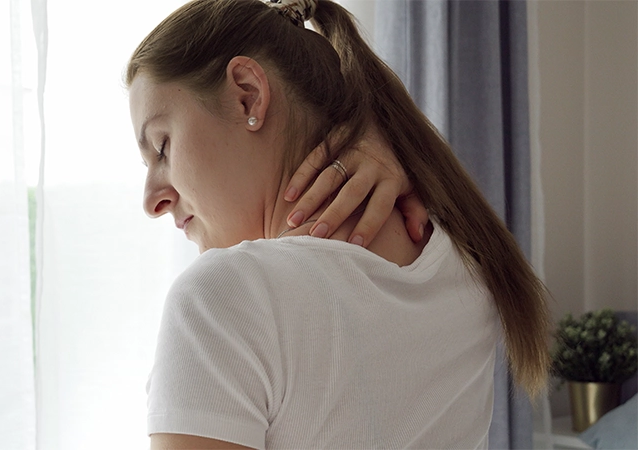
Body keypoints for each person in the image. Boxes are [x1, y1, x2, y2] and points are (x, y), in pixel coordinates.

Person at [126, 0, 551, 448]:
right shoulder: (464, 261)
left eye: (162, 147)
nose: (152, 201)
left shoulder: (223, 300)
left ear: (247, 95)